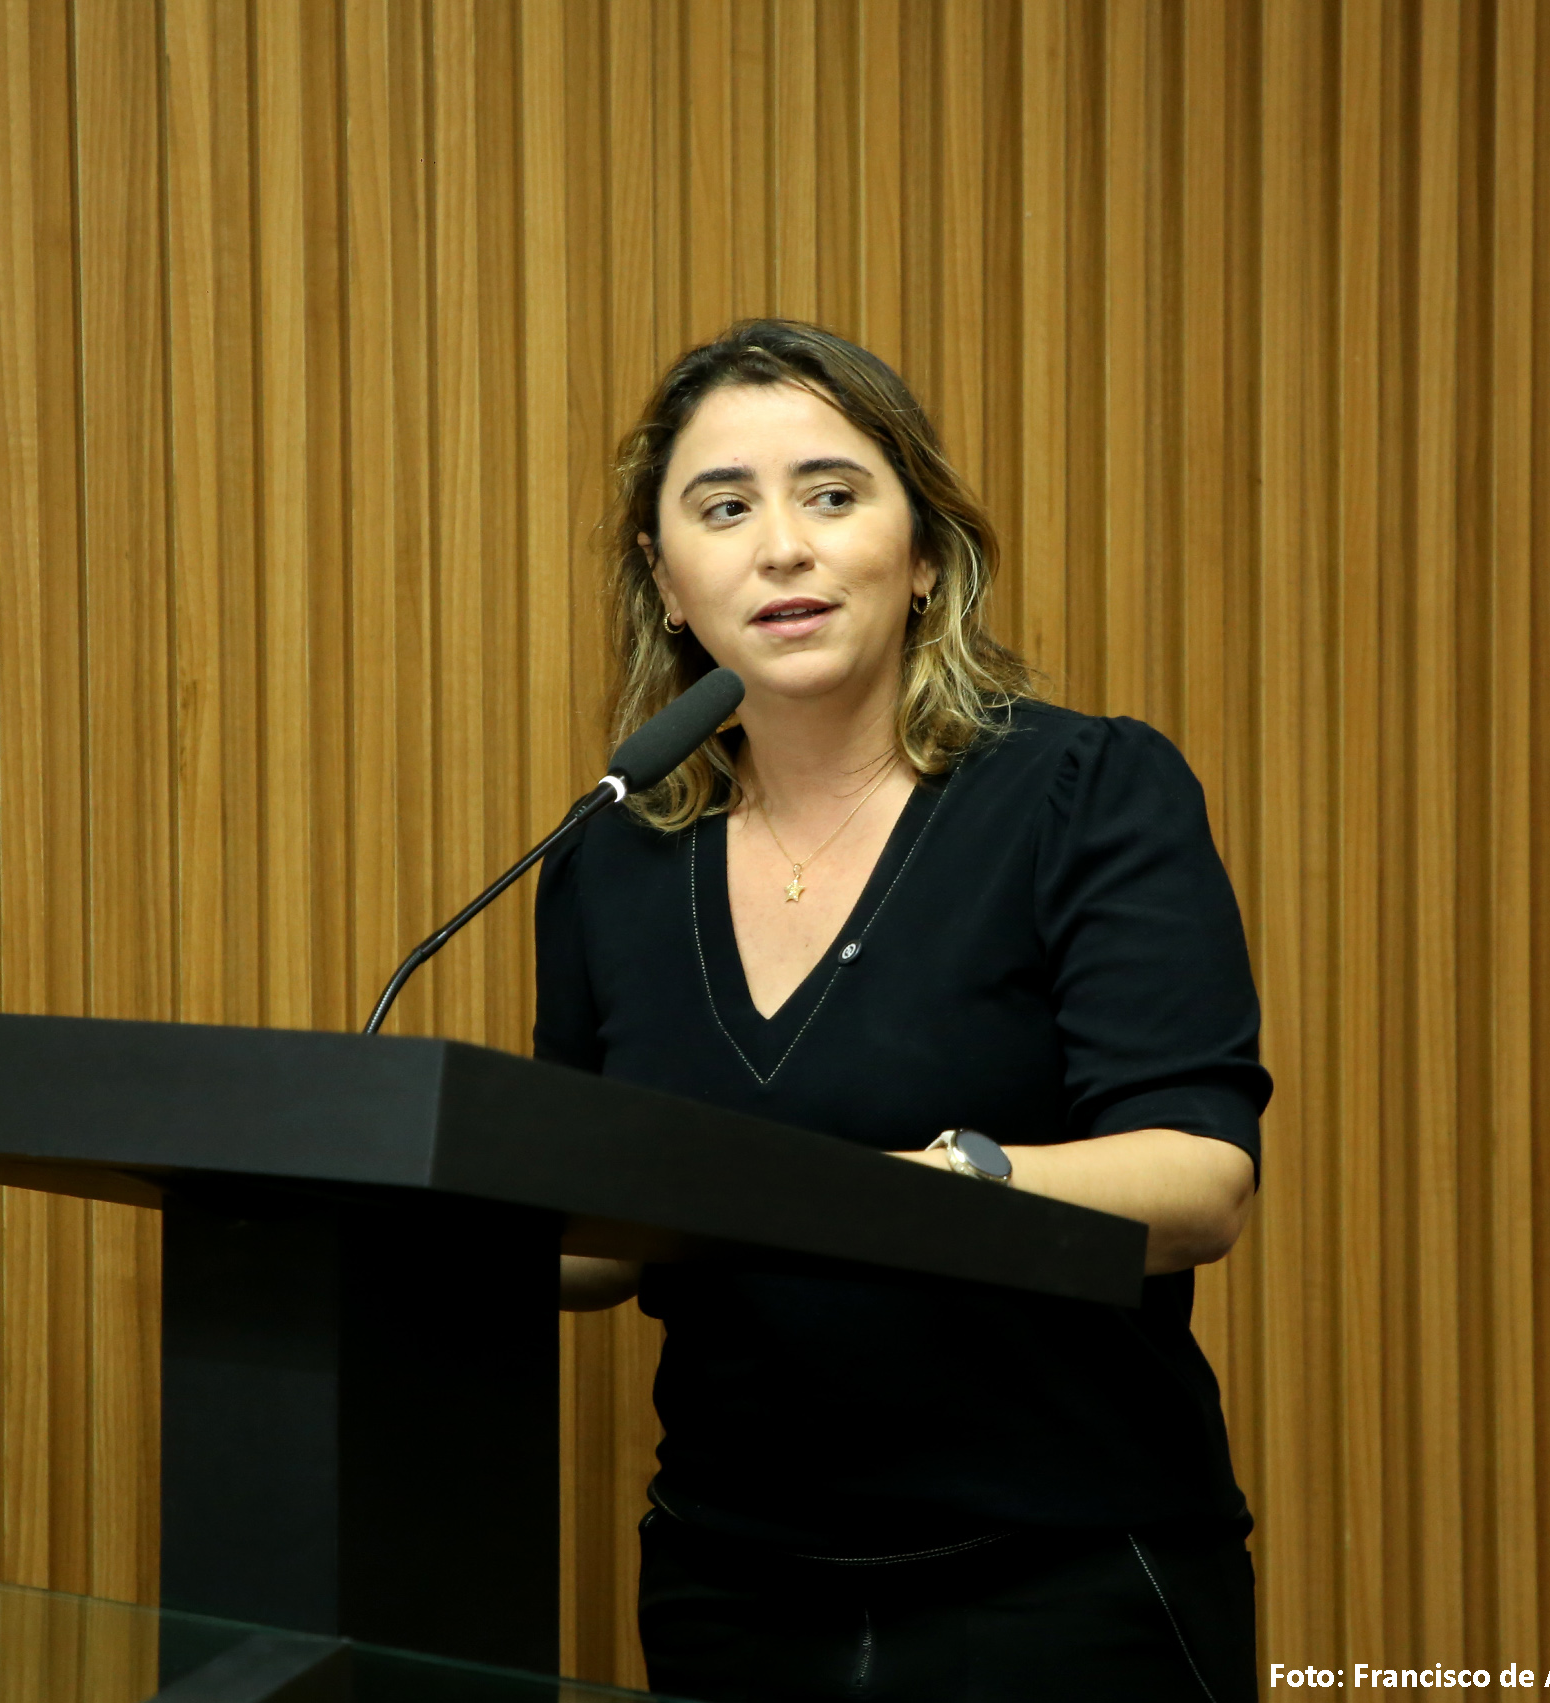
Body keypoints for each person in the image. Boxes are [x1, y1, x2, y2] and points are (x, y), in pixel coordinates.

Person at [536, 320, 1269, 1703]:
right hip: (731, 1590)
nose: (782, 548)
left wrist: (915, 1188)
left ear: (924, 553)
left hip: (1067, 1579)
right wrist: (411, 1227)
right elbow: (599, 1230)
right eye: (724, 509)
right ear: (667, 581)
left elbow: (1197, 1181)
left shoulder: (1082, 794)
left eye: (831, 494)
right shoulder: (610, 858)